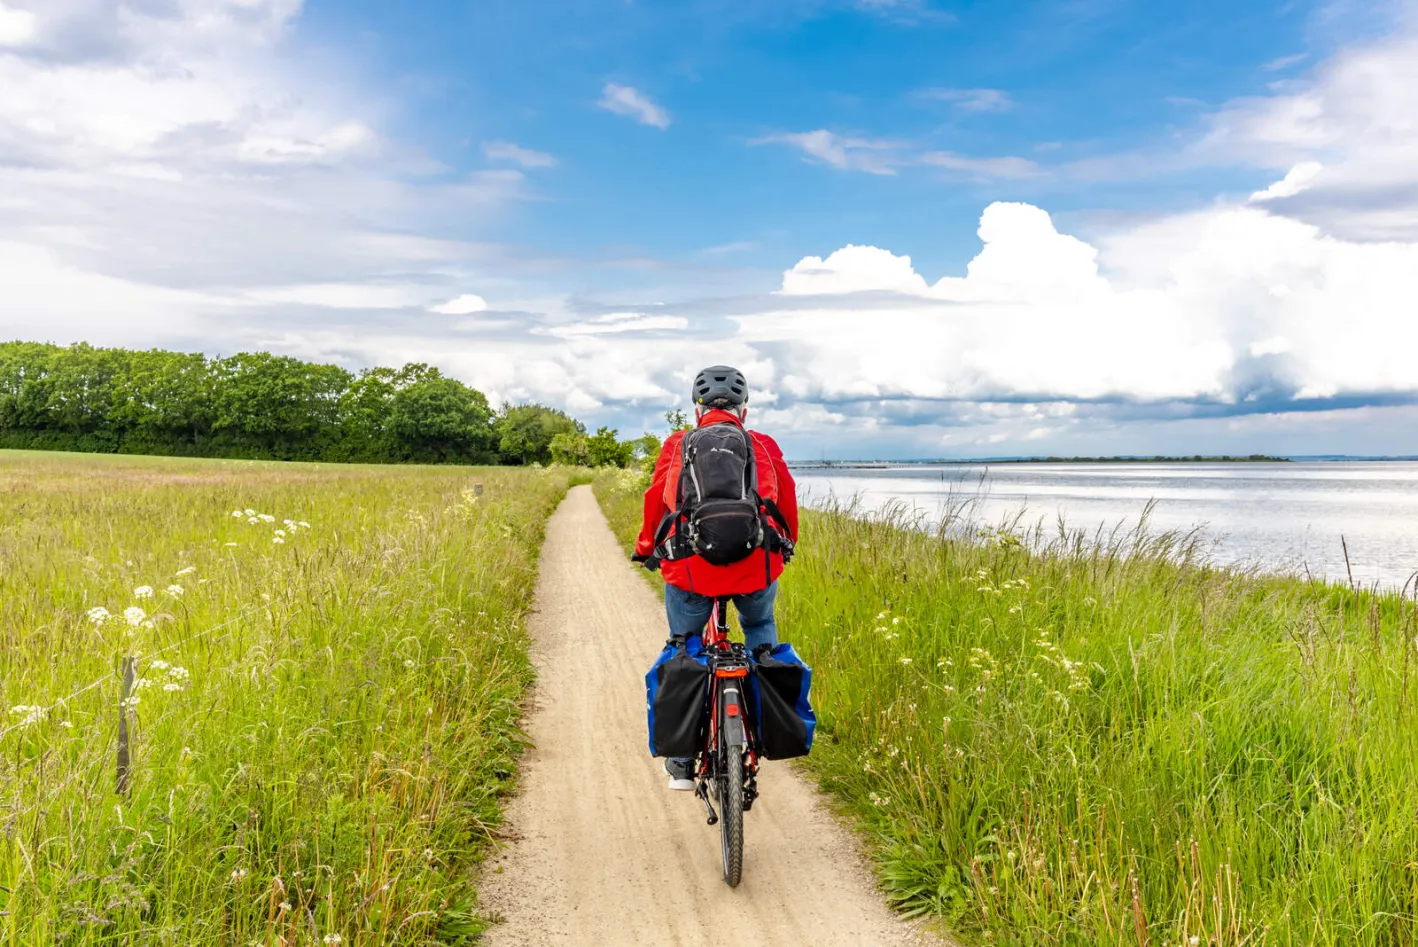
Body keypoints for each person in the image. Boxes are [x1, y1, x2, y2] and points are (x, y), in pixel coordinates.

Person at [632, 365, 799, 790]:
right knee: (760, 626)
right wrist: (787, 544)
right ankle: (766, 730)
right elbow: (786, 499)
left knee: (684, 647)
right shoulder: (761, 444)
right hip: (755, 567)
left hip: (691, 570)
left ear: (697, 409)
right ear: (744, 409)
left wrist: (647, 548)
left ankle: (683, 763)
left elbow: (658, 501)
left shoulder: (677, 444)